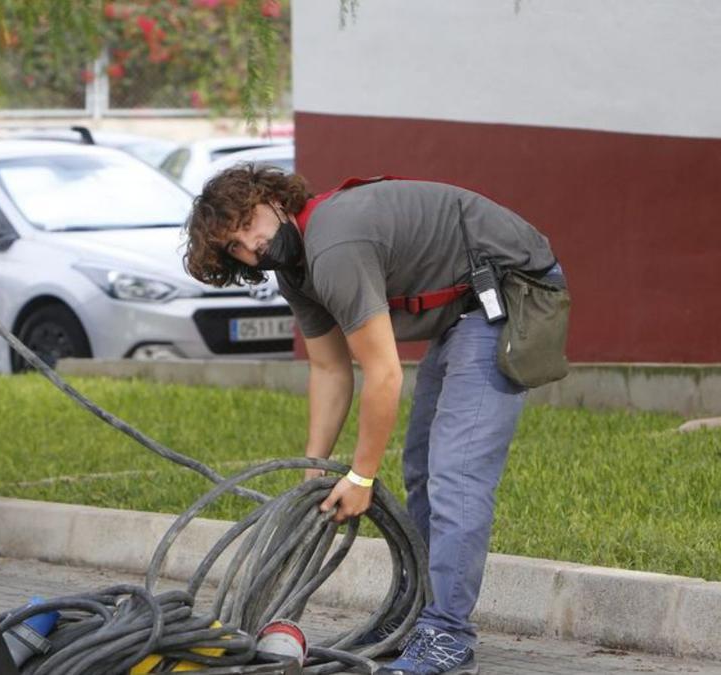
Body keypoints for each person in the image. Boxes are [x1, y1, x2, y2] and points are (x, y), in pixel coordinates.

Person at [183, 167, 566, 675]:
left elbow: (383, 374)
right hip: (462, 310)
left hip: (510, 291)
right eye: (235, 247)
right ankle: (418, 617)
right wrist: (315, 471)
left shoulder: (333, 246)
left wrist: (361, 476)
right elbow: (329, 368)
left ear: (274, 200)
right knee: (423, 468)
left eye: (249, 224)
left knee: (456, 471)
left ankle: (447, 636)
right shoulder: (296, 272)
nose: (252, 246)